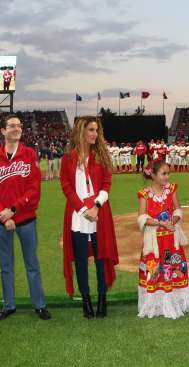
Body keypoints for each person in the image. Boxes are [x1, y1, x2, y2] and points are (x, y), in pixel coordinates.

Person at [0, 114, 51, 321]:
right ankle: (9, 305)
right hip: (2, 222)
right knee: (6, 266)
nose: (16, 128)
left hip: (26, 219)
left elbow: (34, 188)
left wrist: (13, 209)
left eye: (19, 125)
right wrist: (4, 216)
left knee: (32, 264)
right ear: (3, 131)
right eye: (12, 126)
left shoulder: (29, 154)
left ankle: (39, 304)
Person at [60, 116, 119, 318]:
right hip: (78, 216)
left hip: (99, 213)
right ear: (81, 131)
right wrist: (83, 209)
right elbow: (66, 187)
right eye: (91, 130)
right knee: (81, 261)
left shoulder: (102, 155)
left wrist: (95, 206)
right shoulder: (68, 158)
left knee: (101, 258)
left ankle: (102, 299)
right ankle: (86, 301)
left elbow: (107, 183)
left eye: (96, 130)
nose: (94, 134)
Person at [137, 160, 189, 319]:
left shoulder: (172, 190)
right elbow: (142, 217)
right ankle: (154, 306)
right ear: (153, 175)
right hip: (154, 242)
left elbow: (178, 210)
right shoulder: (144, 194)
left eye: (168, 173)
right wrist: (160, 223)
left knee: (172, 269)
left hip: (170, 240)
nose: (167, 177)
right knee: (154, 270)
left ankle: (175, 303)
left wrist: (172, 222)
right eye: (163, 174)